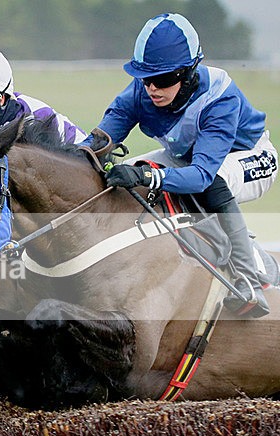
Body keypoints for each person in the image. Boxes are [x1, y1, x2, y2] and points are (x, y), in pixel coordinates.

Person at [95, 13, 278, 318]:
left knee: (207, 181)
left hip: (251, 158)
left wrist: (150, 176)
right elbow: (99, 141)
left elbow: (202, 175)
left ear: (190, 73)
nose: (152, 88)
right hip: (192, 158)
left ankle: (248, 279)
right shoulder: (141, 91)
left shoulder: (220, 98)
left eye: (163, 79)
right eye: (145, 77)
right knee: (124, 173)